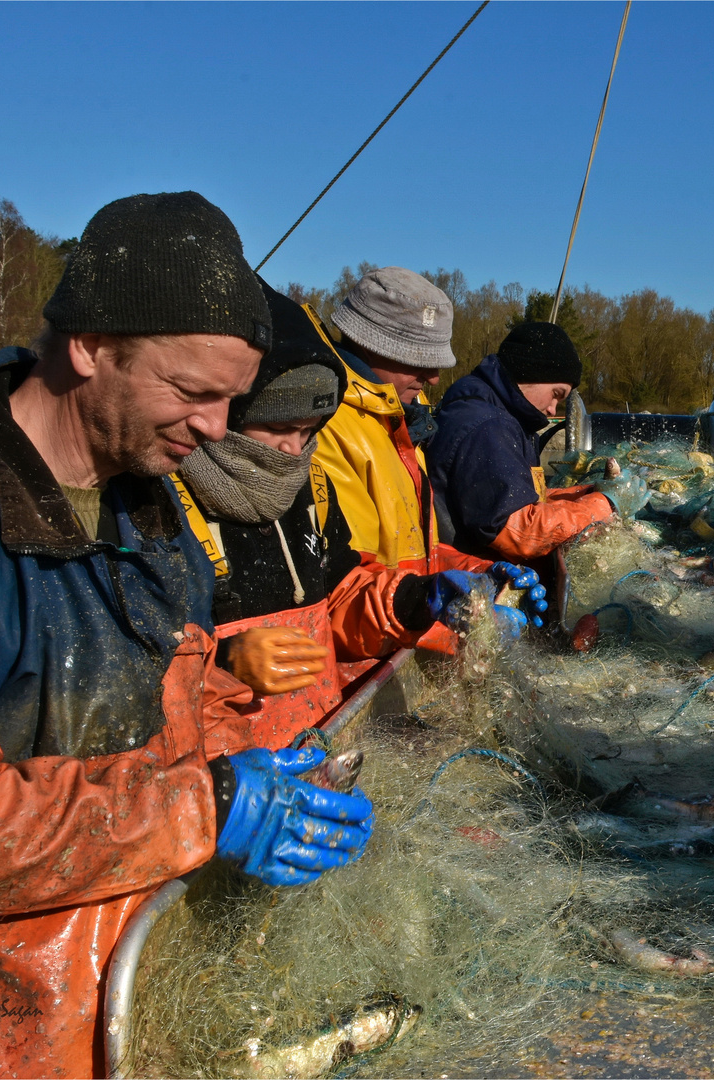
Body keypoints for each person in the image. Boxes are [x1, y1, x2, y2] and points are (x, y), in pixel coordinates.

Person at [0, 193, 374, 1078]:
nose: (216, 427)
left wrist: (258, 764)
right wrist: (203, 808)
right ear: (90, 347)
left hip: (108, 1007)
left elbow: (160, 713)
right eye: (192, 391)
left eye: (231, 400)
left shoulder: (150, 505)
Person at [173, 283, 548, 749]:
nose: (294, 451)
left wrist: (420, 598)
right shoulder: (165, 502)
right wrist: (224, 666)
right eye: (276, 428)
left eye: (307, 431)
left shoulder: (308, 483)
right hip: (224, 776)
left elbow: (342, 591)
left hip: (322, 739)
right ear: (221, 413)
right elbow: (131, 671)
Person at [312, 267, 500, 655]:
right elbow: (340, 595)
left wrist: (483, 574)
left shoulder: (397, 418)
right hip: (360, 663)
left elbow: (411, 557)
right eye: (418, 359)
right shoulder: (325, 426)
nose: (433, 377)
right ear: (371, 343)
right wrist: (427, 609)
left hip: (395, 637)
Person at [426, 321, 636, 563]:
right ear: (530, 373)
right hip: (470, 576)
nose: (551, 409)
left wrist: (587, 493)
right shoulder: (487, 425)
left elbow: (526, 496)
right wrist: (605, 504)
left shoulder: (499, 414)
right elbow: (520, 531)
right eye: (556, 395)